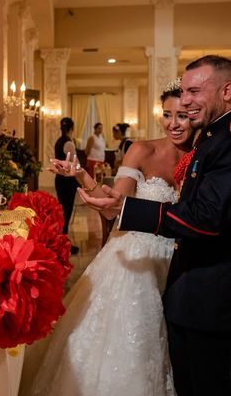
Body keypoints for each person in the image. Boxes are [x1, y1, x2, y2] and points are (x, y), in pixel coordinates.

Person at [22, 84, 194, 396]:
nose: (173, 123)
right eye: (167, 115)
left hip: (180, 262)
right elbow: (114, 203)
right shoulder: (142, 149)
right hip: (134, 264)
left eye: (182, 115)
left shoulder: (204, 155)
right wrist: (81, 177)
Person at [79, 55, 231, 395]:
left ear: (227, 91)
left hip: (205, 284)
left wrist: (129, 209)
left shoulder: (218, 142)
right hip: (172, 272)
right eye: (171, 111)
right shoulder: (208, 139)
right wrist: (113, 201)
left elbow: (206, 217)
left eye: (194, 93)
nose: (183, 108)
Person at [53, 117, 79, 235]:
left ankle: (62, 238)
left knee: (63, 209)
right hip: (68, 180)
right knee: (66, 210)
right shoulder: (68, 143)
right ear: (72, 128)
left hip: (59, 179)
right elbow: (76, 164)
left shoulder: (59, 141)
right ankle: (64, 238)